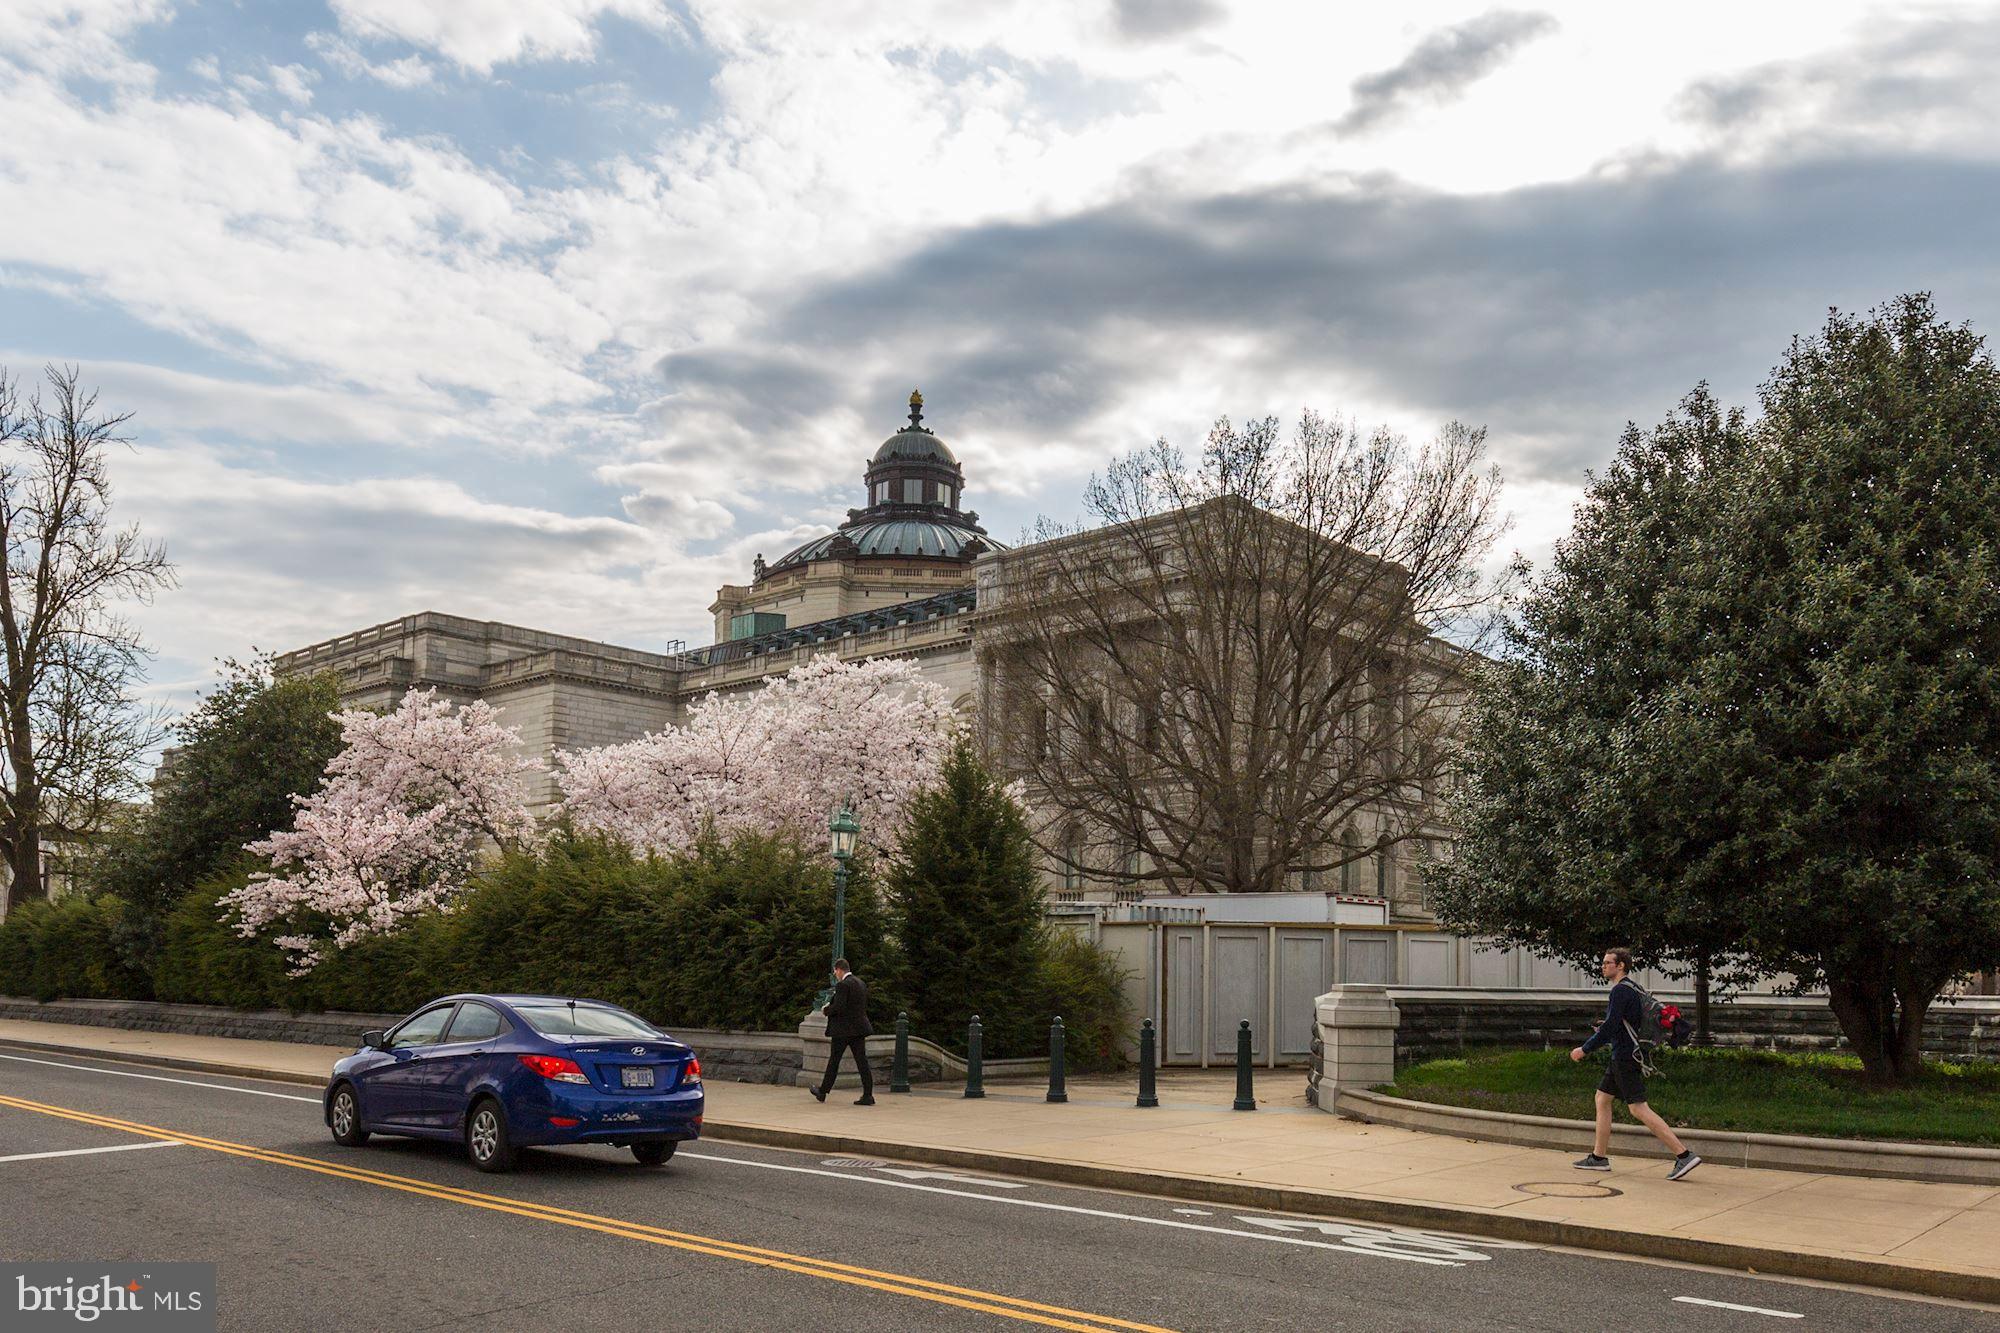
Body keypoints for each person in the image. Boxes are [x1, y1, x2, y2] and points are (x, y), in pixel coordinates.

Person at [1570, 946, 1700, 1180]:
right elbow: (1621, 1023)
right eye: (1603, 962)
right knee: (1602, 1098)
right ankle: (1598, 1158)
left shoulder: (1620, 991)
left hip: (1626, 1056)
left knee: (1638, 1108)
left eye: (1608, 963)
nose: (1603, 966)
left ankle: (1684, 1155)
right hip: (1623, 1053)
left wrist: (1584, 1049)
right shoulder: (1633, 988)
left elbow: (1611, 1027)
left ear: (1621, 966)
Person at [811, 958, 875, 1106]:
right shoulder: (860, 983)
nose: (835, 974)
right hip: (858, 1029)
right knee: (862, 1062)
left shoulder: (843, 985)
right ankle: (868, 1094)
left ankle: (822, 1092)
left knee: (834, 1060)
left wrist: (826, 1010)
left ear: (840, 969)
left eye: (835, 971)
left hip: (843, 1030)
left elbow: (839, 1007)